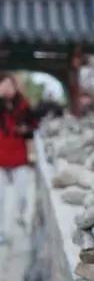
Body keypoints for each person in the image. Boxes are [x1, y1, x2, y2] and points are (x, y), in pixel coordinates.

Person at [0, 73, 37, 244]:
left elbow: (33, 128)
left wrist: (26, 132)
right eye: (3, 85)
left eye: (9, 85)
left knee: (22, 193)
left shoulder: (23, 106)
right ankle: (1, 231)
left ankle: (21, 215)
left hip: (19, 156)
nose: (6, 88)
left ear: (15, 87)